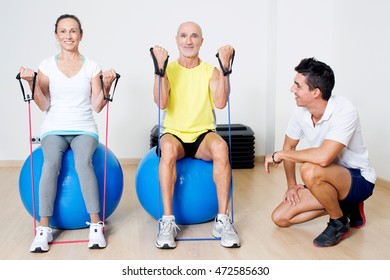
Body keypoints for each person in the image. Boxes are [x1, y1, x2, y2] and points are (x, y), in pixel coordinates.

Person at [19, 14, 118, 252]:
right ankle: (43, 229)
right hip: (54, 127)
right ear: (56, 35)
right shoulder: (46, 65)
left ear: (81, 35)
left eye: (73, 31)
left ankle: (96, 225)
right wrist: (31, 84)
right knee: (50, 163)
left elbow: (96, 106)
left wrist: (106, 85)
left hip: (84, 127)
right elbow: (43, 105)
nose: (68, 36)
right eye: (63, 31)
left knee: (83, 163)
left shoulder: (92, 66)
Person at [264, 58, 376, 247]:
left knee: (309, 170)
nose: (292, 89)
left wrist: (281, 154)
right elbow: (289, 146)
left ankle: (339, 223)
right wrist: (291, 185)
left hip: (357, 179)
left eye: (297, 86)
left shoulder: (344, 109)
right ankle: (346, 207)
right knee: (280, 218)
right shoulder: (300, 111)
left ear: (316, 92)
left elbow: (323, 157)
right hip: (324, 181)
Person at [150, 21, 240, 249]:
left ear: (202, 41)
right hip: (174, 134)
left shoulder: (211, 71)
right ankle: (168, 222)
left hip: (203, 135)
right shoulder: (168, 70)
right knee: (167, 148)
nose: (189, 41)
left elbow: (220, 103)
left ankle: (223, 220)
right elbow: (161, 103)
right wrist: (159, 70)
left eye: (194, 36)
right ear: (176, 40)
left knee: (221, 147)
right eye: (184, 36)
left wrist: (226, 70)